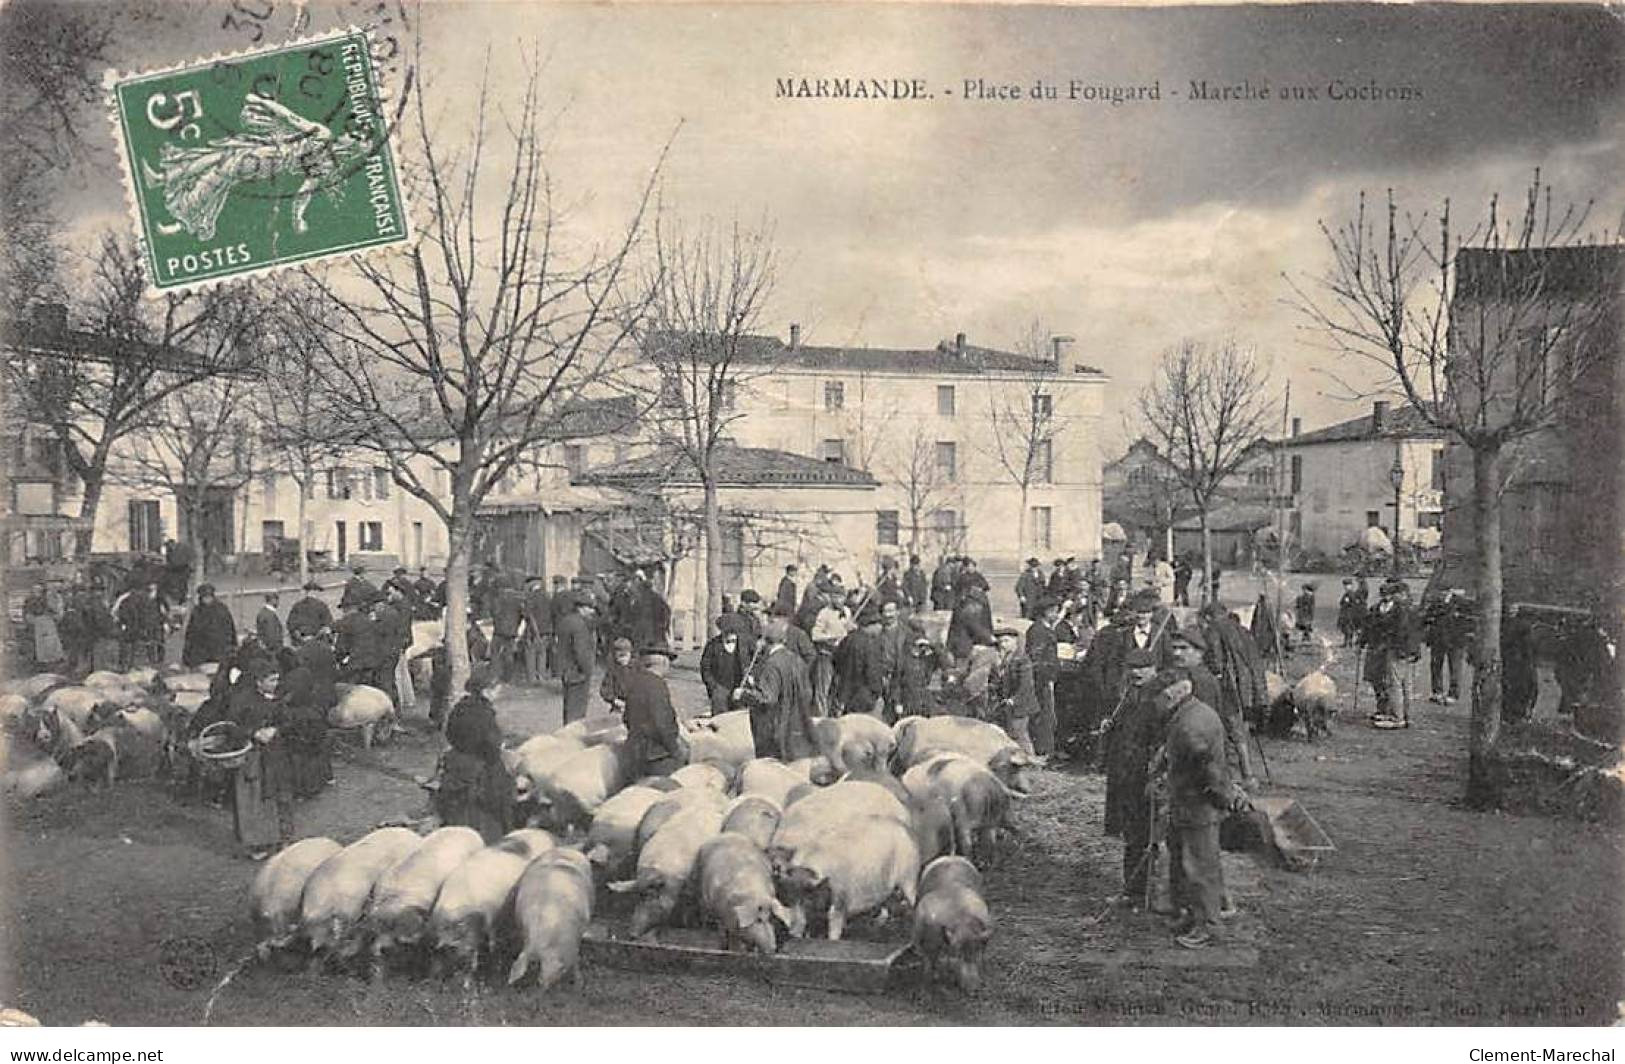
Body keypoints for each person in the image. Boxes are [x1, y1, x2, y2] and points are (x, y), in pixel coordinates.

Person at [1155, 676, 1249, 949]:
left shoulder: (1190, 726)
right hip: (1189, 803)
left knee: (1199, 867)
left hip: (1196, 805)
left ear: (1179, 691)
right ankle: (1193, 915)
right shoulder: (1193, 713)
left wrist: (1223, 798)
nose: (1158, 701)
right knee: (1191, 862)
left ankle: (1208, 926)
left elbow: (1209, 770)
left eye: (1162, 693)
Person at [1101, 649, 1165, 901]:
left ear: (1154, 668)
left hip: (1144, 776)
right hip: (1125, 775)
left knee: (1144, 835)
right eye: (1132, 667)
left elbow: (1159, 739)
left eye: (1142, 667)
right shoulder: (1130, 694)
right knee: (1132, 834)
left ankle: (1143, 890)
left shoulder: (1159, 698)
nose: (1136, 672)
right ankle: (1133, 889)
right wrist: (1112, 724)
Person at [225, 658, 296, 859]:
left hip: (276, 755)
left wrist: (277, 729)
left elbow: (288, 721)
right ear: (258, 681)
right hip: (252, 757)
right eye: (272, 680)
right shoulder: (242, 700)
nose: (276, 684)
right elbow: (231, 727)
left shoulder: (278, 699)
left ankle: (284, 837)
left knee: (280, 795)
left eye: (277, 680)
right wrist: (253, 732)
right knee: (253, 798)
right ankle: (257, 843)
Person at [435, 668, 515, 843]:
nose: (499, 692)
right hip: (478, 764)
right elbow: (490, 745)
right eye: (497, 688)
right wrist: (500, 747)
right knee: (504, 786)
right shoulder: (484, 713)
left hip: (456, 760)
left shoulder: (460, 707)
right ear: (487, 690)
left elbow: (450, 733)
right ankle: (503, 830)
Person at [738, 618, 815, 760]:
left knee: (771, 766)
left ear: (764, 642)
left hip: (773, 727)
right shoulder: (797, 659)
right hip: (795, 723)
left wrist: (743, 694)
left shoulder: (772, 664)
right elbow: (807, 691)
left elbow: (767, 698)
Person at [620, 644, 689, 777]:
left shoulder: (635, 682)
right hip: (657, 756)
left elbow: (626, 718)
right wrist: (675, 750)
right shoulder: (658, 685)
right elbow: (662, 724)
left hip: (634, 752)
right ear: (663, 663)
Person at [1362, 578, 1421, 729]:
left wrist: (1390, 642)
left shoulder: (1402, 609)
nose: (1390, 597)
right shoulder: (1411, 607)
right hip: (1405, 650)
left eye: (1393, 594)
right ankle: (1404, 715)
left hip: (1397, 650)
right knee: (1403, 684)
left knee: (1396, 684)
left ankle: (1397, 717)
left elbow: (1401, 631)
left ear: (1400, 594)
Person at [989, 625, 1039, 755]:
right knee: (1012, 732)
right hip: (1008, 703)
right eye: (1000, 642)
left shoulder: (1022, 659)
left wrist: (1014, 699)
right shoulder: (1004, 659)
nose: (1003, 645)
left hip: (1021, 703)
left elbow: (1026, 685)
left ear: (1015, 641)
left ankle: (1030, 759)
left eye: (1006, 641)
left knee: (1019, 733)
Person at [834, 603, 888, 718]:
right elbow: (873, 672)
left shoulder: (847, 639)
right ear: (870, 625)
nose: (881, 628)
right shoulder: (870, 644)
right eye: (879, 624)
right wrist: (877, 692)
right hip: (864, 696)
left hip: (845, 693)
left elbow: (836, 661)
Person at [1025, 597, 1062, 758]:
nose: (1056, 613)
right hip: (1042, 679)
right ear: (1045, 612)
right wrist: (1048, 678)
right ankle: (1043, 750)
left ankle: (1046, 748)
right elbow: (1036, 657)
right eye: (1054, 610)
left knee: (1047, 714)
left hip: (1045, 677)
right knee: (1045, 714)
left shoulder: (1044, 629)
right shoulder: (1039, 631)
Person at [1423, 588, 1472, 705]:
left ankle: (1453, 693)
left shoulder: (1462, 603)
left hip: (1455, 640)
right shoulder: (1436, 603)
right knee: (1436, 665)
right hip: (1438, 639)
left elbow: (1467, 621)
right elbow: (1428, 617)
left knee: (1454, 667)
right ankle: (1437, 691)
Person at [556, 593, 598, 725]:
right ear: (581, 608)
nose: (592, 611)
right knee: (577, 711)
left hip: (566, 670)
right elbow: (581, 652)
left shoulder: (566, 621)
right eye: (589, 608)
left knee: (568, 708)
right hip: (578, 672)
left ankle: (567, 735)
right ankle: (573, 739)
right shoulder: (580, 625)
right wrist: (588, 670)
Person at [335, 595, 389, 692]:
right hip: (373, 662)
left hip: (355, 665)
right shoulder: (368, 620)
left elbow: (341, 648)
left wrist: (339, 659)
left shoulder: (346, 623)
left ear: (346, 608)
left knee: (354, 691)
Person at [896, 623, 947, 718]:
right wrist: (898, 703)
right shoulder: (903, 661)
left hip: (924, 701)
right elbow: (896, 683)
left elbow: (943, 661)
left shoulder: (927, 660)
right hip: (908, 700)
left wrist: (931, 645)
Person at [700, 627, 745, 716]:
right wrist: (714, 687)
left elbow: (752, 664)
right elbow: (705, 668)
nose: (730, 634)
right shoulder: (713, 645)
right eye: (727, 631)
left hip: (739, 690)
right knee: (720, 721)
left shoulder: (744, 646)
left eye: (732, 631)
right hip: (719, 692)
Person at [22, 582, 65, 670]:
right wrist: (29, 619)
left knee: (50, 641)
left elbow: (52, 609)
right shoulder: (29, 600)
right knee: (40, 642)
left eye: (39, 590)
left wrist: (54, 615)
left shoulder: (45, 599)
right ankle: (41, 661)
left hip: (47, 621)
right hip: (37, 622)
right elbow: (26, 611)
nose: (37, 591)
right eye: (35, 590)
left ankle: (52, 659)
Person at [947, 584, 995, 661]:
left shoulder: (962, 605)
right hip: (964, 648)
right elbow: (975, 627)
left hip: (958, 645)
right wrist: (990, 638)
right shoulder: (970, 608)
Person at [489, 582, 525, 683]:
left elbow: (494, 613)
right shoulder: (517, 601)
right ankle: (508, 677)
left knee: (495, 653)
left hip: (499, 630)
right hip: (512, 631)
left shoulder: (498, 599)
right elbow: (522, 615)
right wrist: (516, 625)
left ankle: (494, 676)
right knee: (509, 654)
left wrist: (497, 622)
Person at [599, 637, 635, 713]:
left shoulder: (637, 670)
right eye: (620, 656)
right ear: (615, 656)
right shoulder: (613, 671)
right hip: (618, 705)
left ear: (630, 654)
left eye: (625, 656)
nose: (623, 659)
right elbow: (605, 690)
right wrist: (614, 700)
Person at [163, 538, 195, 607]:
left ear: (173, 544)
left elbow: (185, 560)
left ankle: (183, 598)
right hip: (175, 572)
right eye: (168, 546)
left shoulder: (182, 549)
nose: (169, 547)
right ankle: (178, 598)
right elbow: (169, 561)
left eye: (169, 545)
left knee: (183, 585)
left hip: (183, 571)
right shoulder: (169, 552)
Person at [1336, 578, 1366, 647]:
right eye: (1345, 585)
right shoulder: (1347, 594)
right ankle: (1347, 642)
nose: (1346, 587)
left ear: (1351, 586)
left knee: (1348, 629)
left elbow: (1354, 604)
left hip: (1349, 614)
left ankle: (1349, 643)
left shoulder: (1351, 594)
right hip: (1345, 614)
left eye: (1348, 585)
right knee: (1346, 629)